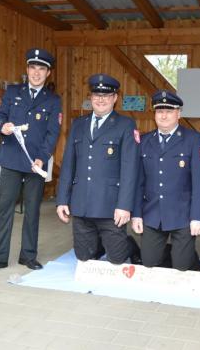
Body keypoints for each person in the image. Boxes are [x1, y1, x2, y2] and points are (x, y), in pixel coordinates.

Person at [0, 48, 62, 272]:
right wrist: (2, 126)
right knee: (5, 209)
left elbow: (52, 132)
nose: (37, 73)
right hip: (11, 159)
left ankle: (28, 256)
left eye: (42, 69)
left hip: (35, 163)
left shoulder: (53, 100)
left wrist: (42, 158)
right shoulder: (12, 92)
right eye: (33, 68)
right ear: (27, 70)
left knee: (33, 210)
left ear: (48, 73)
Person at [56, 74, 141, 265]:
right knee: (84, 257)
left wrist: (124, 205)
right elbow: (69, 163)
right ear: (91, 97)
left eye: (106, 95)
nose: (101, 99)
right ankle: (101, 243)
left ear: (115, 98)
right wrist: (62, 199)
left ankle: (129, 245)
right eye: (96, 94)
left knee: (117, 259)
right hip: (82, 203)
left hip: (110, 205)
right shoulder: (78, 125)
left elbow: (130, 168)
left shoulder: (126, 125)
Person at [131, 90, 200, 271]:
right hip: (153, 213)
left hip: (182, 214)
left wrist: (197, 217)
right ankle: (174, 252)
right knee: (149, 262)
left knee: (182, 267)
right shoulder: (144, 141)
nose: (164, 115)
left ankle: (187, 255)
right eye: (159, 111)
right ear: (155, 114)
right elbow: (138, 182)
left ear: (178, 114)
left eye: (169, 111)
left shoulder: (193, 139)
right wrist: (136, 214)